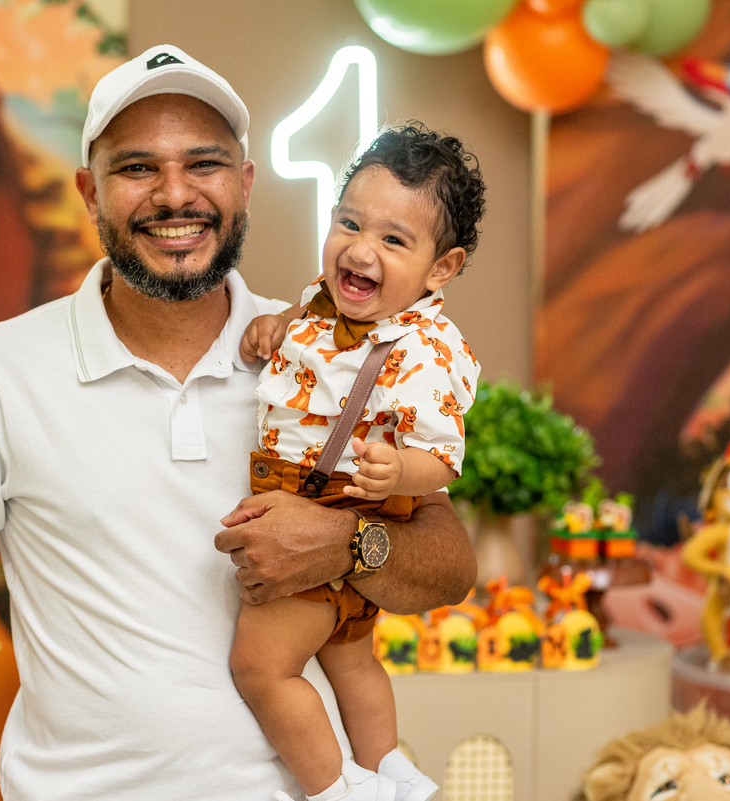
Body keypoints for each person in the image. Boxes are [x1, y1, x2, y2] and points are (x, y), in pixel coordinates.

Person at [0, 44, 476, 801]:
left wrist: (347, 542)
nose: (174, 194)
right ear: (89, 191)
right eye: (136, 169)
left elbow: (449, 563)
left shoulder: (324, 354)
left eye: (204, 164)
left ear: (245, 183)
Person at [230, 124, 484, 801]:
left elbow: (443, 455)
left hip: (328, 506)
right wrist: (275, 324)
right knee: (350, 653)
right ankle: (389, 766)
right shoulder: (324, 300)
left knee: (260, 667)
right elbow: (311, 325)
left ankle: (335, 788)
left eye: (394, 240)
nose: (361, 248)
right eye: (349, 222)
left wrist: (399, 473)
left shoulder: (423, 350)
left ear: (442, 269)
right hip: (338, 505)